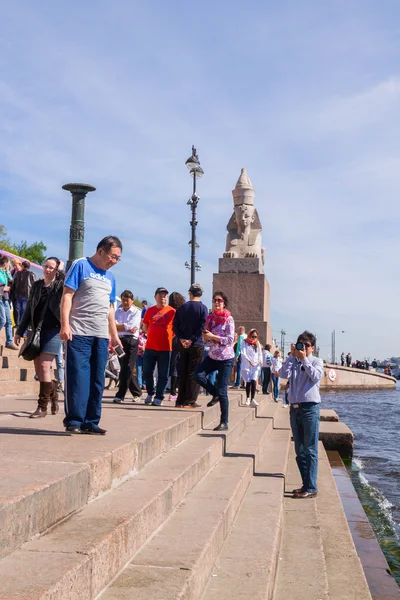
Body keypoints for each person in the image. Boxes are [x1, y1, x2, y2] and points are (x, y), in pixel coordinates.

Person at [61, 236, 122, 434]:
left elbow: (110, 309)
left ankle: (91, 421)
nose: (114, 261)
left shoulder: (111, 277)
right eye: (113, 256)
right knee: (78, 378)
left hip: (101, 335)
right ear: (100, 251)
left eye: (118, 259)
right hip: (79, 332)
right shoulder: (81, 265)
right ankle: (75, 421)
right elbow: (67, 295)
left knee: (97, 380)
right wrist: (65, 325)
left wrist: (114, 335)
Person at [14, 257, 63, 417]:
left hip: (54, 331)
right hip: (37, 330)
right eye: (46, 266)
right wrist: (20, 331)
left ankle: (42, 407)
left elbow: (65, 285)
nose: (47, 270)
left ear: (56, 270)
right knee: (39, 369)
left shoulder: (59, 286)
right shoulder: (36, 286)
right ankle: (53, 392)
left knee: (44, 365)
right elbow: (28, 309)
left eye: (51, 268)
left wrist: (61, 271)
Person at [279, 331, 324, 498]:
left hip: (310, 408)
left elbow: (316, 376)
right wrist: (292, 356)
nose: (302, 347)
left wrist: (304, 358)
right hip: (295, 408)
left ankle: (311, 487)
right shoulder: (294, 361)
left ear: (312, 347)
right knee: (300, 449)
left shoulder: (316, 361)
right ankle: (306, 484)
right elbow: (282, 374)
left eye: (306, 345)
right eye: (300, 344)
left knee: (311, 449)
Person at [194, 291, 235, 431]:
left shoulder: (228, 319)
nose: (217, 303)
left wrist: (213, 336)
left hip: (226, 358)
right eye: (214, 300)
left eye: (220, 300)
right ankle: (214, 393)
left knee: (223, 390)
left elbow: (230, 340)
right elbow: (206, 337)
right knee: (198, 375)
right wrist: (206, 337)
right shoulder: (210, 318)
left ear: (224, 303)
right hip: (212, 355)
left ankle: (224, 422)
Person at [173, 283, 208, 408]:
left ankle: (180, 400)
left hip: (182, 344)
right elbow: (202, 327)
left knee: (183, 371)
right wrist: (191, 340)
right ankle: (190, 400)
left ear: (190, 293)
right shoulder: (203, 308)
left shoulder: (182, 308)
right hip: (197, 344)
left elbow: (175, 326)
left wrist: (183, 339)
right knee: (194, 372)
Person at [142, 287, 175, 406]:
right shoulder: (149, 310)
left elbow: (176, 329)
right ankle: (150, 392)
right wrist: (151, 334)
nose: (163, 298)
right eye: (161, 295)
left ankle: (159, 396)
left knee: (163, 374)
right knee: (146, 372)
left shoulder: (172, 311)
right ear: (155, 297)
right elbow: (145, 326)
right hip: (150, 347)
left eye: (165, 296)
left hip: (166, 348)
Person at [113, 290, 142, 404]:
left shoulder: (136, 312)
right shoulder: (118, 311)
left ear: (132, 300)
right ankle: (136, 392)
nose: (125, 302)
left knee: (128, 367)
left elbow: (132, 327)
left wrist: (120, 326)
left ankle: (120, 394)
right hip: (118, 341)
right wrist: (122, 327)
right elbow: (113, 325)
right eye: (123, 300)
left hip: (131, 341)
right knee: (123, 366)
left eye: (127, 300)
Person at [168, 292, 186, 401]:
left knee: (173, 364)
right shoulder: (183, 311)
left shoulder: (169, 310)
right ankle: (180, 389)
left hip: (171, 338)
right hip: (181, 338)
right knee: (182, 363)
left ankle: (173, 391)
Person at [241, 328, 263, 407]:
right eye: (253, 336)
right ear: (250, 335)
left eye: (255, 337)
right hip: (248, 364)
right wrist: (249, 361)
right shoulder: (245, 342)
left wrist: (260, 360)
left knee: (254, 380)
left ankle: (252, 398)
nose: (254, 338)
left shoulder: (257, 343)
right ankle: (247, 397)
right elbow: (243, 353)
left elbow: (260, 353)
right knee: (248, 381)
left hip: (255, 365)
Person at [0, 255, 18, 350]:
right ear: (5, 263)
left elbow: (11, 280)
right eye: (8, 263)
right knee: (3, 320)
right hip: (0, 298)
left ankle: (9, 342)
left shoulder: (4, 272)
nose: (10, 265)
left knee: (9, 321)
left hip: (5, 298)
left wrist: (7, 271)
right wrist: (3, 288)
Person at [12, 260, 36, 325]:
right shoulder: (31, 274)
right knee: (24, 311)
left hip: (18, 295)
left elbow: (13, 284)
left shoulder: (17, 274)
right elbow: (34, 285)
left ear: (22, 266)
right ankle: (23, 329)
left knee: (19, 311)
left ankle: (19, 326)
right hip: (27, 295)